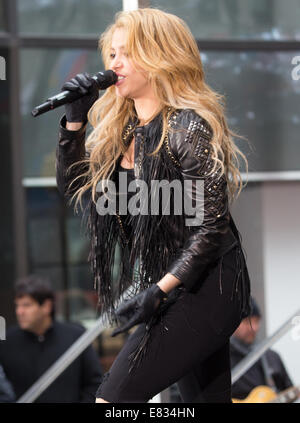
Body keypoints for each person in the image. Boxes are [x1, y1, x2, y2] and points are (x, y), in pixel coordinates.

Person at [55, 8, 251, 403]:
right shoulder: (123, 131)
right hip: (173, 285)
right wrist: (74, 123)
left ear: (160, 55)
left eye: (126, 53)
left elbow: (209, 228)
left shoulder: (187, 126)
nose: (115, 64)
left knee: (111, 400)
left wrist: (158, 291)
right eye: (111, 54)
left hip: (209, 286)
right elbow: (76, 186)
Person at [0, 275, 103, 403]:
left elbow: (94, 383)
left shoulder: (75, 337)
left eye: (26, 305)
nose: (19, 311)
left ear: (47, 306)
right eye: (17, 305)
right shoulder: (7, 342)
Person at [230, 297, 295, 402]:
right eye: (248, 322)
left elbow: (289, 392)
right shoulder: (220, 360)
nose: (254, 327)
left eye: (257, 321)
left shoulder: (272, 357)